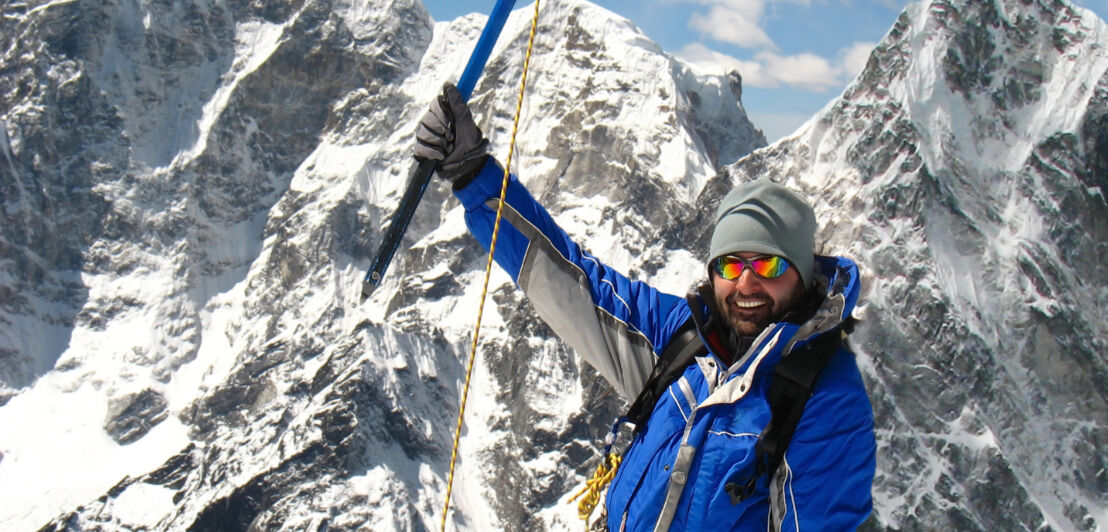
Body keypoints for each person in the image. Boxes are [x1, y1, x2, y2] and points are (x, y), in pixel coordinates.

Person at [414, 83, 876, 531]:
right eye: (731, 265)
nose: (748, 282)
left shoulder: (825, 400)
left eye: (769, 264)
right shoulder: (687, 337)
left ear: (801, 272)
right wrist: (473, 176)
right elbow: (577, 283)